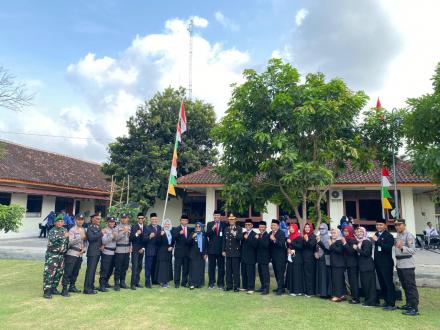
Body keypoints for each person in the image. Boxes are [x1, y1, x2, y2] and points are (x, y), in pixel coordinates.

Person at [394, 219, 419, 316]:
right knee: (405, 286)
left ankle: (414, 308)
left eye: (399, 225)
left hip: (407, 264)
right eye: (396, 225)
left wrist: (401, 248)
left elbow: (413, 250)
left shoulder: (409, 235)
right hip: (400, 263)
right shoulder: (399, 235)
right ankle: (409, 304)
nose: (397, 227)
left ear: (404, 225)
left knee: (410, 286)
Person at [372, 218, 396, 310]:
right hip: (378, 263)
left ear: (385, 226)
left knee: (388, 283)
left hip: (386, 263)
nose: (379, 226)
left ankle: (391, 303)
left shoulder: (389, 236)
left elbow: (387, 248)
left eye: (381, 225)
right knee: (382, 283)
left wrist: (377, 241)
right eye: (377, 225)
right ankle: (386, 301)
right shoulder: (377, 234)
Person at [42, 214, 69, 299]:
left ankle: (54, 288)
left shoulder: (65, 230)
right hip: (52, 255)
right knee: (50, 273)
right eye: (58, 221)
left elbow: (67, 242)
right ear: (55, 223)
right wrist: (63, 236)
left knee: (59, 272)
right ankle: (47, 291)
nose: (60, 223)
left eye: (62, 221)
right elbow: (53, 241)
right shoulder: (52, 231)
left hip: (61, 255)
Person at [61, 213, 87, 296]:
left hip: (80, 254)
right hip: (72, 253)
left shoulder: (83, 229)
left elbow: (85, 242)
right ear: (76, 220)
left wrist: (84, 249)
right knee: (68, 271)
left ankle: (72, 286)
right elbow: (70, 242)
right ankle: (64, 289)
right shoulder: (72, 230)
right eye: (79, 219)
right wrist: (80, 237)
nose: (80, 221)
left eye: (82, 220)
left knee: (76, 271)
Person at [353, 226, 378, 307]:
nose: (359, 233)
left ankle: (371, 302)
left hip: (367, 266)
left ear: (364, 233)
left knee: (369, 285)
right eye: (358, 232)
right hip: (363, 266)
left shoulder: (366, 241)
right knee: (365, 284)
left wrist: (357, 249)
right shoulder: (360, 241)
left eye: (361, 232)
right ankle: (369, 300)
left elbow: (366, 254)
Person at [206, 210, 227, 289]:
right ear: (213, 216)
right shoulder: (210, 224)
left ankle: (220, 283)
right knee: (211, 267)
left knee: (221, 267)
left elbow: (225, 237)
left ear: (220, 216)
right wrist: (212, 229)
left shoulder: (224, 224)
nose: (216, 217)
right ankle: (211, 283)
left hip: (221, 250)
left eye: (218, 215)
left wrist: (224, 250)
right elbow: (207, 234)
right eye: (215, 215)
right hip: (211, 249)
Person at [222, 213, 243, 292]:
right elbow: (224, 240)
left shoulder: (239, 228)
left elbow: (240, 238)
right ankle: (229, 285)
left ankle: (236, 286)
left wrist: (234, 233)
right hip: (228, 252)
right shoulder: (226, 229)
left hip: (236, 253)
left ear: (235, 220)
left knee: (236, 271)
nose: (231, 221)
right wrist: (223, 250)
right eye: (230, 219)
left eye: (233, 219)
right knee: (228, 270)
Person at [83, 213, 103, 294]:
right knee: (90, 270)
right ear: (92, 219)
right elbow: (91, 238)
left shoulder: (98, 228)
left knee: (93, 270)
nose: (99, 220)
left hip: (97, 251)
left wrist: (102, 245)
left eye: (99, 219)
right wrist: (101, 233)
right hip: (92, 252)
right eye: (97, 218)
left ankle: (91, 285)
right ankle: (87, 289)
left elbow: (99, 240)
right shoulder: (90, 228)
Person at [172, 214, 192, 288]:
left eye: (185, 220)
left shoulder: (190, 229)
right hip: (178, 252)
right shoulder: (176, 229)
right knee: (177, 268)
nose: (184, 221)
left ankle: (184, 282)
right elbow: (173, 238)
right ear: (180, 221)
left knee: (185, 268)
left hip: (187, 252)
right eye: (182, 220)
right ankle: (176, 283)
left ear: (187, 221)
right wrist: (178, 233)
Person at [342, 225, 360, 304]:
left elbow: (351, 251)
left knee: (353, 281)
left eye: (347, 231)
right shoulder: (347, 239)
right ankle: (354, 297)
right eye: (344, 231)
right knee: (351, 281)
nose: (345, 232)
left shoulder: (352, 240)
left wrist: (345, 243)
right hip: (349, 264)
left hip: (353, 264)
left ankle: (356, 299)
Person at [99, 216, 117, 292]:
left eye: (113, 222)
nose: (112, 223)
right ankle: (102, 285)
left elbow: (117, 240)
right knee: (104, 269)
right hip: (106, 252)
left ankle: (106, 282)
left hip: (114, 252)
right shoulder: (104, 230)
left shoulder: (115, 230)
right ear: (107, 222)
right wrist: (112, 235)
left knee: (110, 269)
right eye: (110, 222)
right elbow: (104, 241)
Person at [285, 223, 304, 296]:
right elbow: (288, 246)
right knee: (291, 274)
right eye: (290, 228)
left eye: (292, 228)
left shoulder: (299, 237)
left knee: (297, 275)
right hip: (291, 258)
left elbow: (300, 247)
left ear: (296, 228)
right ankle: (292, 290)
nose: (291, 229)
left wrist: (291, 242)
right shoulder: (290, 236)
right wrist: (288, 249)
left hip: (297, 259)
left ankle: (298, 291)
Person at [114, 213, 131, 291]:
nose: (124, 219)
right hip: (119, 250)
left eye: (126, 218)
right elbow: (116, 238)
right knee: (118, 267)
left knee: (125, 266)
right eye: (123, 218)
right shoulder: (117, 227)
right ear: (121, 219)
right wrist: (124, 232)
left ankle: (122, 282)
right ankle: (116, 283)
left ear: (128, 219)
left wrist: (131, 247)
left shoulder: (130, 227)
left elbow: (132, 238)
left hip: (127, 249)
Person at [188, 221, 208, 289]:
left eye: (199, 226)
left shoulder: (203, 234)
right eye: (196, 226)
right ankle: (192, 283)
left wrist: (206, 253)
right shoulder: (192, 233)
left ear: (201, 227)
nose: (198, 227)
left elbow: (206, 245)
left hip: (201, 255)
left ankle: (200, 284)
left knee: (200, 269)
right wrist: (192, 237)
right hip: (193, 255)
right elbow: (188, 243)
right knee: (193, 270)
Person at [143, 212, 161, 287]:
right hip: (150, 251)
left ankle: (154, 281)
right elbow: (144, 239)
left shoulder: (160, 227)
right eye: (153, 219)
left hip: (158, 251)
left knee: (155, 267)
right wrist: (149, 236)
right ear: (150, 220)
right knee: (148, 267)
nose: (154, 220)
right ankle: (147, 282)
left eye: (155, 219)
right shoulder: (147, 228)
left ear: (157, 219)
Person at [269, 219, 287, 295]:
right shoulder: (270, 233)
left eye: (274, 225)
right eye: (272, 225)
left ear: (278, 226)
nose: (273, 226)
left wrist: (274, 239)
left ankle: (281, 289)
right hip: (273, 257)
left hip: (281, 257)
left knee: (280, 273)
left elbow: (281, 244)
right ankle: (279, 287)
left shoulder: (282, 233)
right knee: (276, 273)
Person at [241, 219, 258, 294]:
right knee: (244, 272)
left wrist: (248, 238)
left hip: (251, 257)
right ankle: (245, 286)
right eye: (246, 225)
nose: (247, 226)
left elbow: (255, 245)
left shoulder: (255, 234)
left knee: (250, 273)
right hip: (243, 256)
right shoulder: (243, 233)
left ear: (252, 226)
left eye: (249, 225)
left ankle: (251, 288)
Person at [329, 228, 346, 302]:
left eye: (334, 233)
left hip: (339, 264)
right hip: (335, 264)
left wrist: (331, 244)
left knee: (337, 280)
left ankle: (338, 296)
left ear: (338, 233)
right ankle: (341, 295)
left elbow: (339, 250)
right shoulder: (334, 241)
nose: (333, 234)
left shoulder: (339, 241)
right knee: (338, 280)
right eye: (332, 233)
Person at [130, 212, 146, 290]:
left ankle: (137, 282)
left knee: (139, 267)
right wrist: (136, 234)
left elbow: (146, 240)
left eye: (142, 218)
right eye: (139, 218)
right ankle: (132, 284)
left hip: (142, 250)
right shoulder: (134, 227)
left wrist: (143, 248)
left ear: (144, 219)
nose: (140, 219)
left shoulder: (146, 227)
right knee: (135, 266)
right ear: (137, 219)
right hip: (135, 250)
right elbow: (131, 239)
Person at [156, 219, 174, 288]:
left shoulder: (170, 232)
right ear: (163, 225)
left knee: (167, 267)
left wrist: (172, 247)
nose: (167, 225)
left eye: (168, 224)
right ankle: (162, 282)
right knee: (162, 268)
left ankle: (166, 281)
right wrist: (160, 235)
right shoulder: (161, 232)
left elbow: (172, 242)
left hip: (169, 252)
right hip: (162, 252)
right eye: (165, 224)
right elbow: (158, 242)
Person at [316, 223, 332, 298]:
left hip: (325, 258)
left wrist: (319, 242)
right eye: (320, 229)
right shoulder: (319, 236)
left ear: (326, 229)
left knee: (325, 276)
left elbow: (327, 249)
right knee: (321, 275)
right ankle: (322, 292)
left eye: (323, 229)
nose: (321, 230)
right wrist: (316, 252)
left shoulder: (327, 237)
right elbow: (317, 247)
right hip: (320, 258)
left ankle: (325, 293)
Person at [255, 221, 270, 295]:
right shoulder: (259, 235)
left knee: (265, 274)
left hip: (265, 258)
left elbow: (266, 245)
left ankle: (266, 289)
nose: (261, 228)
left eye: (262, 227)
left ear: (265, 228)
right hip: (259, 258)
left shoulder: (267, 235)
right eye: (260, 227)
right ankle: (262, 287)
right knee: (260, 273)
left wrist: (259, 239)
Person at [302, 222, 317, 297]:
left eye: (308, 227)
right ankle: (306, 291)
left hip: (310, 259)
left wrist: (307, 240)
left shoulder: (313, 236)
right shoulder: (304, 235)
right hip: (304, 259)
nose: (307, 228)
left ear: (311, 228)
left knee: (310, 275)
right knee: (305, 275)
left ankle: (311, 292)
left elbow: (312, 246)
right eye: (306, 227)